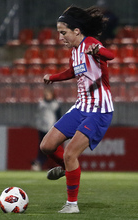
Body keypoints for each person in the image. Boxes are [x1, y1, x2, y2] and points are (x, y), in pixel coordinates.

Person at [41, 5, 114, 214]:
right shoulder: (75, 52)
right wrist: (53, 77)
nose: (60, 37)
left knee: (70, 153)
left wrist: (99, 51)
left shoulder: (91, 43)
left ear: (76, 31)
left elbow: (111, 55)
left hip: (99, 109)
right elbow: (73, 71)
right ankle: (67, 169)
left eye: (63, 32)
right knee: (47, 146)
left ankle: (72, 205)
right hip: (81, 107)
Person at [32, 86, 61, 171]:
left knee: (52, 148)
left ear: (52, 94)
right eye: (45, 94)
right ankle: (39, 163)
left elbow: (59, 117)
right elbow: (38, 115)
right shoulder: (41, 104)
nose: (46, 95)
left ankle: (54, 164)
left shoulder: (55, 104)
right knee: (42, 147)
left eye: (48, 94)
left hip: (52, 129)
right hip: (42, 128)